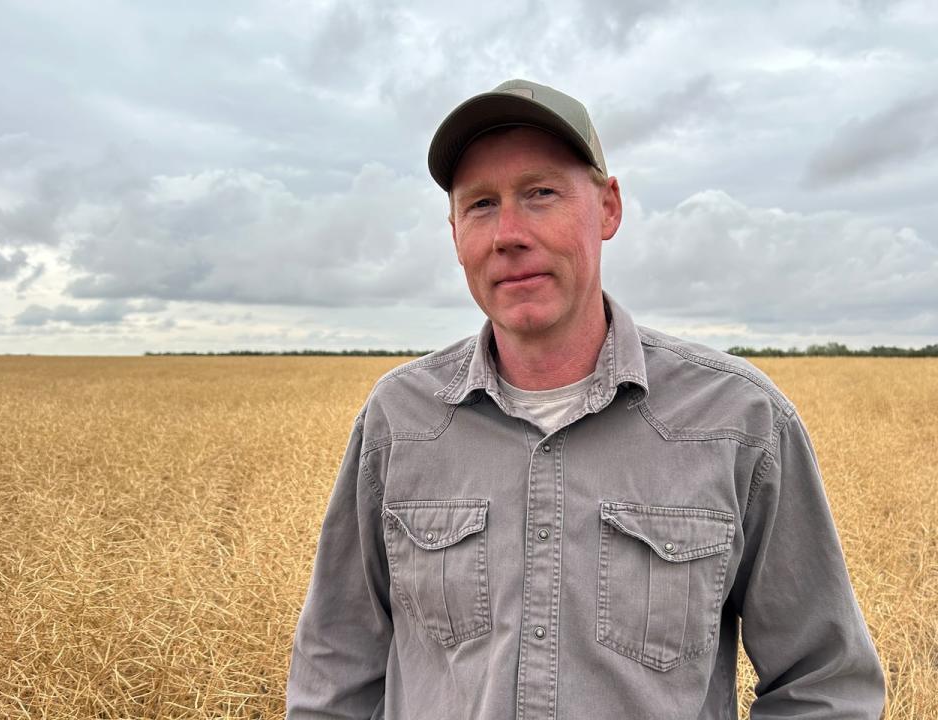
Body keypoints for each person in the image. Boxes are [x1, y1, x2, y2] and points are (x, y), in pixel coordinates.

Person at [286, 79, 885, 719]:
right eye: (480, 205)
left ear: (607, 208)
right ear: (455, 233)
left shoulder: (738, 422)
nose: (507, 233)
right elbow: (335, 674)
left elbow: (826, 684)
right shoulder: (399, 422)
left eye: (541, 193)